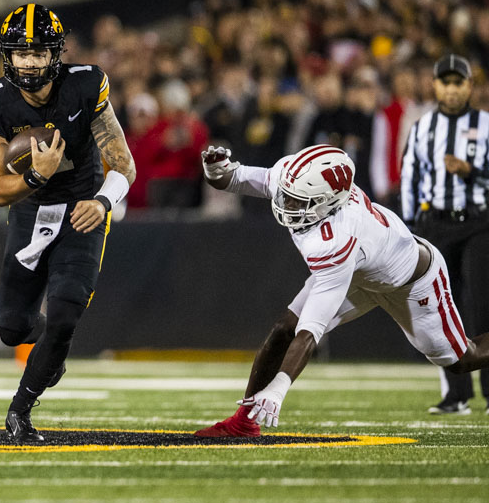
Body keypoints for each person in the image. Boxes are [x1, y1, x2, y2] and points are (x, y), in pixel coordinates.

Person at [194, 144, 489, 437]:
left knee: (461, 359)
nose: (286, 204)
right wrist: (215, 170)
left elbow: (311, 331)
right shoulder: (294, 177)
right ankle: (245, 421)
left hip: (411, 282)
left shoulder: (336, 238)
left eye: (297, 201)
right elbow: (234, 178)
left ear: (329, 202)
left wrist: (278, 388)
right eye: (287, 195)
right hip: (360, 273)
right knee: (285, 327)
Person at [0, 4, 136, 442]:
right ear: (8, 56)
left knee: (65, 313)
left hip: (84, 209)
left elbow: (123, 162)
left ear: (56, 53)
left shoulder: (85, 84)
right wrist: (37, 174)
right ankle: (50, 350)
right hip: (30, 210)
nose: (29, 62)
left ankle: (20, 409)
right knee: (11, 328)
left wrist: (103, 201)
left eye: (38, 52)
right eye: (20, 53)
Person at [400, 54, 489, 415]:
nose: (451, 89)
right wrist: (409, 226)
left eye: (458, 82)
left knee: (483, 305)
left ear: (470, 86)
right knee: (440, 308)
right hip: (435, 224)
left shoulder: (486, 125)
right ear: (434, 86)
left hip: (480, 221)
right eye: (445, 82)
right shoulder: (422, 127)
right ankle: (457, 394)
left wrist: (472, 171)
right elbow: (410, 175)